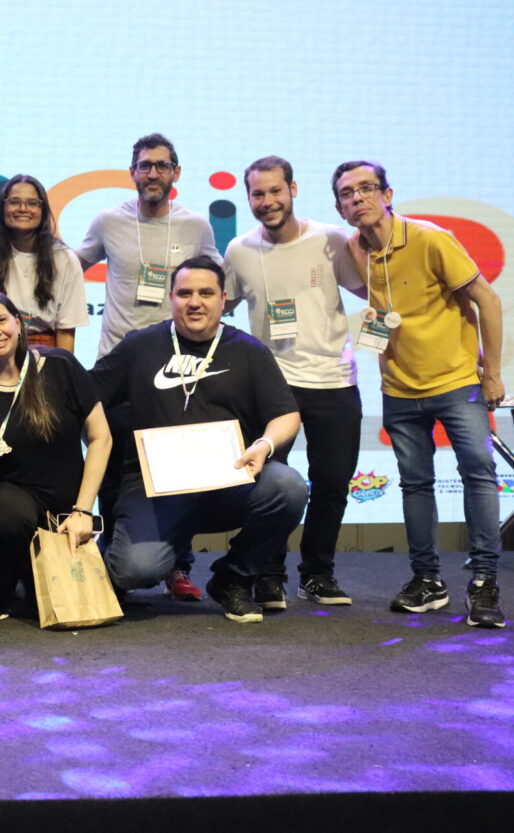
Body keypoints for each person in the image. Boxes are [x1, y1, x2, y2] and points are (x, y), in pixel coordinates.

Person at [333, 160, 506, 628]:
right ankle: (427, 580)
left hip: (457, 383)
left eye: (367, 188)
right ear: (340, 208)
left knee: (478, 474)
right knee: (414, 485)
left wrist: (492, 374)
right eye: (347, 193)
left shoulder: (430, 238)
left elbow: (487, 300)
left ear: (388, 195)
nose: (358, 198)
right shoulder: (354, 249)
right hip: (399, 389)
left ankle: (484, 582)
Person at [91, 256, 308, 623]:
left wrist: (264, 445)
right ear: (171, 298)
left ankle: (233, 578)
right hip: (152, 489)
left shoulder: (249, 351)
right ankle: (117, 549)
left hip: (228, 483)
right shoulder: (139, 346)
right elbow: (88, 395)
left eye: (206, 293)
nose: (195, 302)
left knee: (288, 487)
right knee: (135, 570)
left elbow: (287, 414)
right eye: (185, 293)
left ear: (223, 299)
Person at [77, 133, 221, 602]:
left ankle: (178, 565)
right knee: (112, 467)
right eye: (145, 165)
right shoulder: (109, 221)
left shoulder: (195, 225)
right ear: (133, 172)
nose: (153, 173)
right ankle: (110, 563)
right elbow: (71, 266)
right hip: (116, 367)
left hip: (177, 367)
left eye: (162, 165)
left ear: (176, 172)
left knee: (180, 471)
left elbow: (217, 281)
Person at [223, 156, 365, 610]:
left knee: (332, 484)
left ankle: (317, 574)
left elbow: (371, 290)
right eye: (258, 194)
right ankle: (267, 575)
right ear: (248, 198)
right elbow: (219, 305)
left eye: (275, 191)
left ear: (293, 190)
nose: (267, 201)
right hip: (271, 386)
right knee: (268, 485)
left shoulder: (330, 240)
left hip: (333, 380)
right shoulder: (239, 251)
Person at [0, 290, 111, 619]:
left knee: (63, 604)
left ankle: (26, 575)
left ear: (18, 323)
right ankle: (1, 591)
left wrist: (84, 510)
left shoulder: (61, 366)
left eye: (2, 320)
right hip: (8, 512)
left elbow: (101, 437)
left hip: (63, 511)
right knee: (6, 513)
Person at [0, 174, 88, 352]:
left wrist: (63, 368)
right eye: (14, 202)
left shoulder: (64, 259)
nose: (23, 209)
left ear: (43, 210)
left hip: (42, 348)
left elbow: (66, 330)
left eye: (32, 203)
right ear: (3, 207)